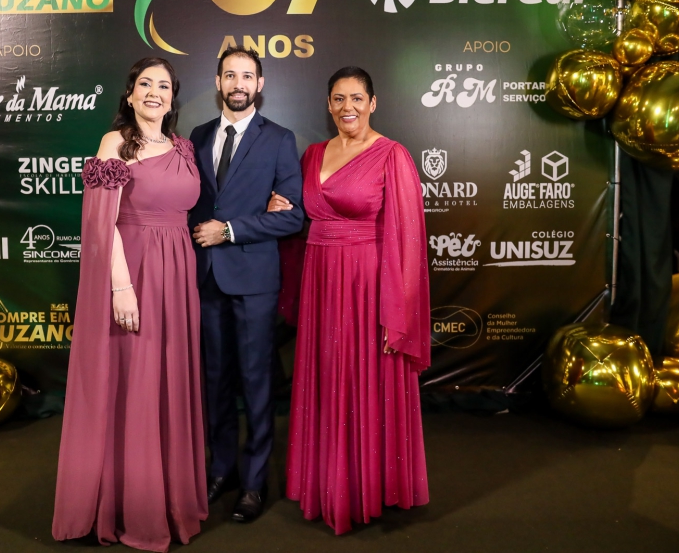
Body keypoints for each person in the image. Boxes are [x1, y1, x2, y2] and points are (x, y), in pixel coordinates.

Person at [53, 58, 207, 551]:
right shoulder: (114, 144)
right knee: (135, 381)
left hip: (177, 276)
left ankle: (168, 499)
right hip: (134, 271)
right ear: (130, 93)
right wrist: (121, 286)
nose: (154, 93)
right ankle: (130, 506)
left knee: (167, 380)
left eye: (163, 86)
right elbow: (102, 223)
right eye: (145, 84)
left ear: (172, 97)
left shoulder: (183, 147)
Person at [275, 66, 431, 535]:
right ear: (328, 105)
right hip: (321, 284)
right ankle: (329, 485)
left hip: (367, 285)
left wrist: (397, 313)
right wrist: (278, 207)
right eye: (339, 99)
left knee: (366, 380)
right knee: (327, 379)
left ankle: (367, 490)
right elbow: (300, 216)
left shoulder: (392, 155)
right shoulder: (313, 154)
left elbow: (408, 241)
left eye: (357, 98)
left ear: (373, 103)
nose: (348, 107)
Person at [189, 45, 304, 523]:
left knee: (256, 383)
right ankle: (222, 469)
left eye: (247, 76)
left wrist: (232, 230)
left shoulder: (278, 138)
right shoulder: (197, 136)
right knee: (214, 381)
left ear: (260, 84)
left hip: (254, 281)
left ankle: (254, 482)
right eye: (230, 75)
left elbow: (293, 215)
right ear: (218, 82)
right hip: (205, 278)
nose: (239, 84)